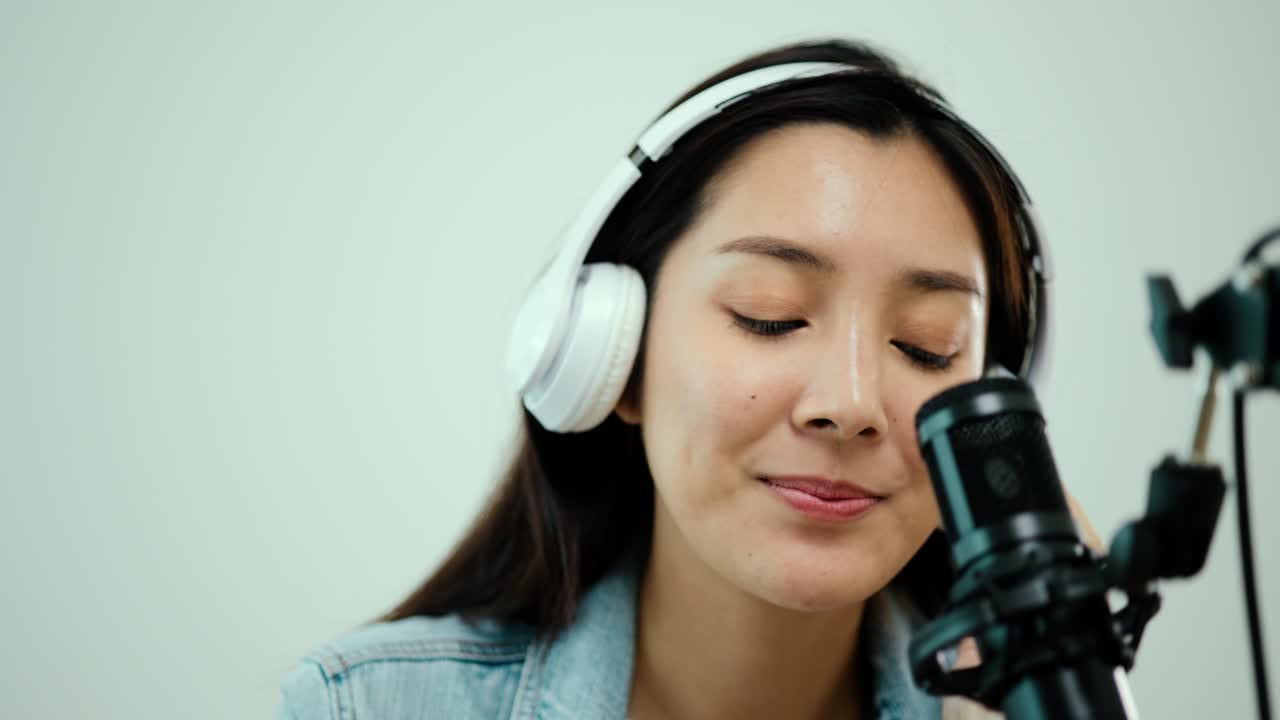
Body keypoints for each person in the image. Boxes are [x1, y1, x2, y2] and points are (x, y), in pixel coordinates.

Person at [275, 38, 1103, 720]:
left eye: (928, 347)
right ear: (614, 355)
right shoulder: (370, 707)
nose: (850, 405)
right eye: (768, 315)